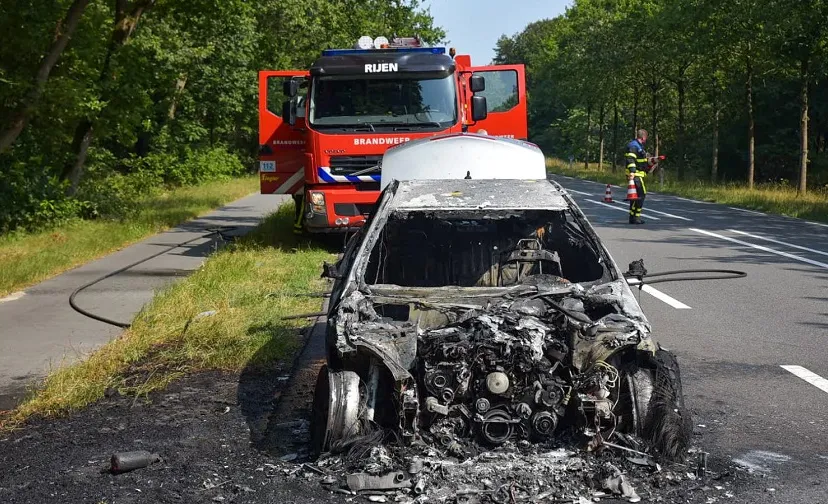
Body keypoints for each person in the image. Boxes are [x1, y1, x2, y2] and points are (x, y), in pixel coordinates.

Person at [625, 129, 655, 224]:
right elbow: (631, 159)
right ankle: (635, 217)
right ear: (643, 137)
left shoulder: (638, 146)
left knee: (635, 195)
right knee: (641, 194)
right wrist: (633, 172)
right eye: (646, 137)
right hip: (636, 174)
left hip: (638, 174)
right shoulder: (634, 146)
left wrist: (651, 161)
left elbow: (640, 161)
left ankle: (632, 217)